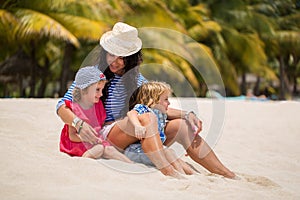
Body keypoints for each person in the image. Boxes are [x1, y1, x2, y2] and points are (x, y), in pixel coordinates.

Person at [56, 22, 236, 178]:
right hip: (109, 134)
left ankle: (226, 174)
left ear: (131, 58)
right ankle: (169, 172)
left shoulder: (138, 80)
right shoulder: (94, 74)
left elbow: (158, 107)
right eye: (111, 54)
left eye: (121, 57)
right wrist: (78, 123)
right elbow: (62, 106)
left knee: (181, 125)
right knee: (147, 118)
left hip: (138, 129)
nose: (115, 61)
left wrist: (187, 114)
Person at [59, 66, 132, 163]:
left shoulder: (98, 106)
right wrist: (90, 139)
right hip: (77, 143)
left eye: (102, 90)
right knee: (100, 148)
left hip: (95, 141)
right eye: (97, 90)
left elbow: (100, 126)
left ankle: (131, 164)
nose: (101, 94)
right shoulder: (74, 108)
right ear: (84, 90)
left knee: (108, 149)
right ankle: (84, 160)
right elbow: (72, 136)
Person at [124, 81, 195, 175]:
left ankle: (192, 174)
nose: (169, 103)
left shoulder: (161, 113)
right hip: (136, 151)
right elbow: (131, 113)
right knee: (168, 152)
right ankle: (179, 175)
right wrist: (137, 126)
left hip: (155, 149)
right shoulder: (144, 109)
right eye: (166, 99)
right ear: (153, 100)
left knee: (172, 153)